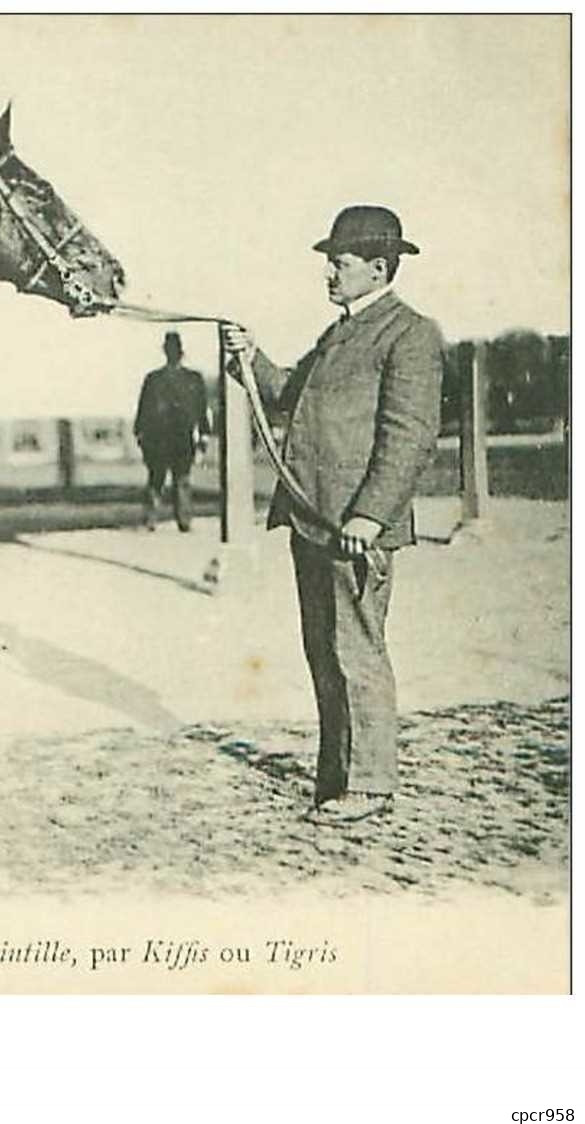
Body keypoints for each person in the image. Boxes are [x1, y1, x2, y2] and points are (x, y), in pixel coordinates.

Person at [221, 205, 445, 825]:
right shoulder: (341, 332)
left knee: (357, 651)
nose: (328, 272)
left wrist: (371, 516)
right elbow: (286, 392)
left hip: (354, 529)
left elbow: (411, 436)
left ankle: (371, 784)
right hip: (311, 518)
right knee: (324, 651)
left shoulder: (409, 333)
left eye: (339, 263)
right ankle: (337, 776)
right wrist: (249, 357)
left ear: (379, 267)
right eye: (329, 261)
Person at [133, 330, 211, 531]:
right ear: (165, 352)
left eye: (175, 350)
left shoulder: (194, 379)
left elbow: (201, 409)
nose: (172, 353)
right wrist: (139, 433)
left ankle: (184, 521)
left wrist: (204, 434)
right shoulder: (153, 379)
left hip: (182, 438)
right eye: (169, 350)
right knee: (156, 480)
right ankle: (150, 519)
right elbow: (143, 408)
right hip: (157, 438)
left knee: (182, 479)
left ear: (181, 352)